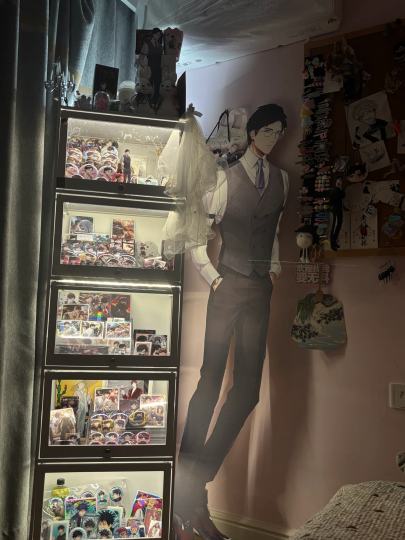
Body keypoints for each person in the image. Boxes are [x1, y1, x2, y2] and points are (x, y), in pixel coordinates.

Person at [173, 104, 289, 540]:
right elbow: (196, 235)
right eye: (268, 130)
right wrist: (214, 278)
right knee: (209, 381)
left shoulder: (282, 180)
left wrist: (273, 268)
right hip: (227, 286)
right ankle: (188, 498)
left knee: (248, 390)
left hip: (260, 290)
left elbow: (274, 231)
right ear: (253, 132)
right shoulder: (223, 179)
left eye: (280, 132)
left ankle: (193, 483)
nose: (273, 138)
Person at [140, 28, 163, 106]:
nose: (158, 36)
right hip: (149, 68)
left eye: (159, 35)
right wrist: (143, 67)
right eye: (157, 34)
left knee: (157, 86)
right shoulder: (147, 44)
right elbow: (142, 56)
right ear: (153, 34)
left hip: (158, 68)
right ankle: (145, 102)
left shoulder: (160, 46)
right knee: (148, 85)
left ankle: (155, 102)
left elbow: (162, 58)